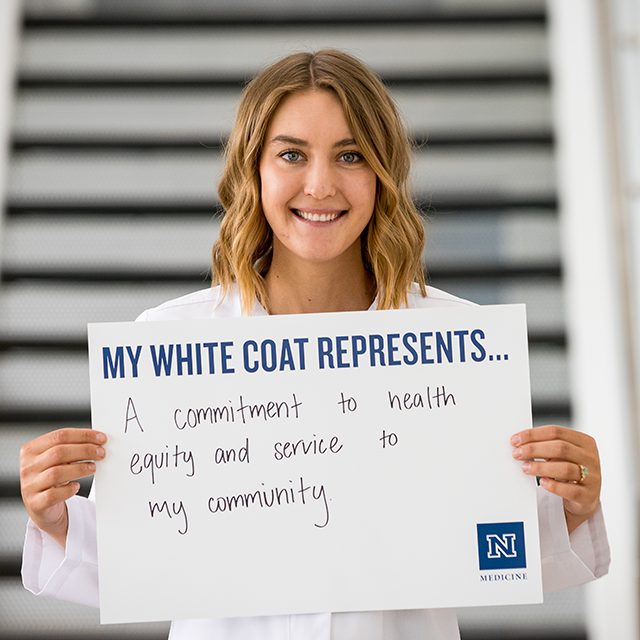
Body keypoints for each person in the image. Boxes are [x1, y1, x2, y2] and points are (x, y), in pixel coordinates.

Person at [20, 50, 609, 640]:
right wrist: (55, 519)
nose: (320, 184)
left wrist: (570, 509)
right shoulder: (170, 344)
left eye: (350, 155)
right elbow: (150, 558)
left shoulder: (458, 345)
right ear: (254, 170)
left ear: (383, 174)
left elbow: (487, 545)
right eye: (291, 154)